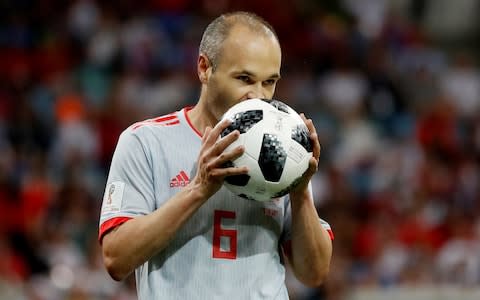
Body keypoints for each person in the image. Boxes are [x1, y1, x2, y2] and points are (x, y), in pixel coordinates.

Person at [99, 11, 333, 299]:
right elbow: (116, 259)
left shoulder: (281, 147)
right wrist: (199, 189)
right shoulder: (146, 142)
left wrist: (300, 193)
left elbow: (314, 273)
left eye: (269, 82)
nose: (258, 96)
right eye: (245, 78)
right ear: (204, 68)